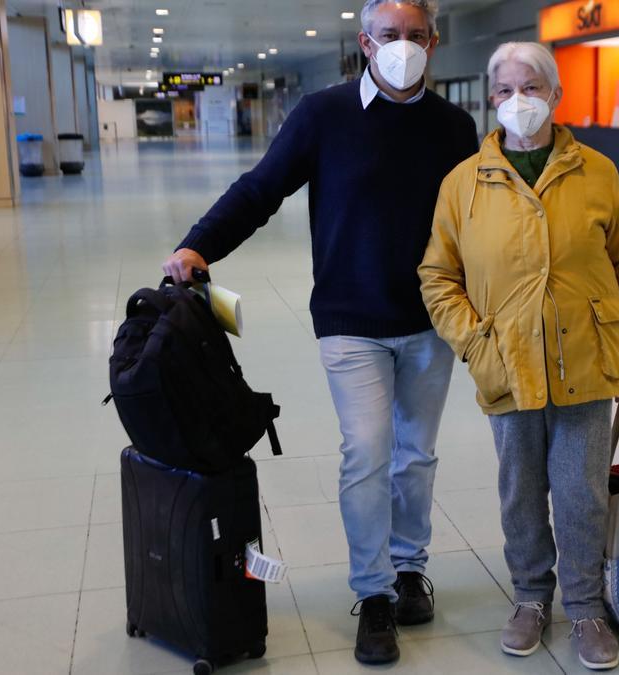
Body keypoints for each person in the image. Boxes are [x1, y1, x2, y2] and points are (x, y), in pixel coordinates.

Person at [162, 0, 478, 665]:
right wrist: (200, 246)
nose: (403, 46)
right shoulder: (323, 116)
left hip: (430, 317)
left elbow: (479, 222)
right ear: (365, 42)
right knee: (367, 449)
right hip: (349, 317)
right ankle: (375, 594)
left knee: (415, 455)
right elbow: (260, 190)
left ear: (435, 40)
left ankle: (409, 565)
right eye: (389, 35)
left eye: (415, 35)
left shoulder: (455, 127)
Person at [418, 42, 619, 671]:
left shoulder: (598, 172)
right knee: (520, 491)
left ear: (555, 94)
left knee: (580, 494)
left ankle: (584, 607)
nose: (516, 101)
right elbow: (437, 276)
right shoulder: (462, 183)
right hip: (509, 365)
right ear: (490, 100)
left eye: (530, 87)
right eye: (503, 90)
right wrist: (476, 342)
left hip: (587, 361)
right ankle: (529, 597)